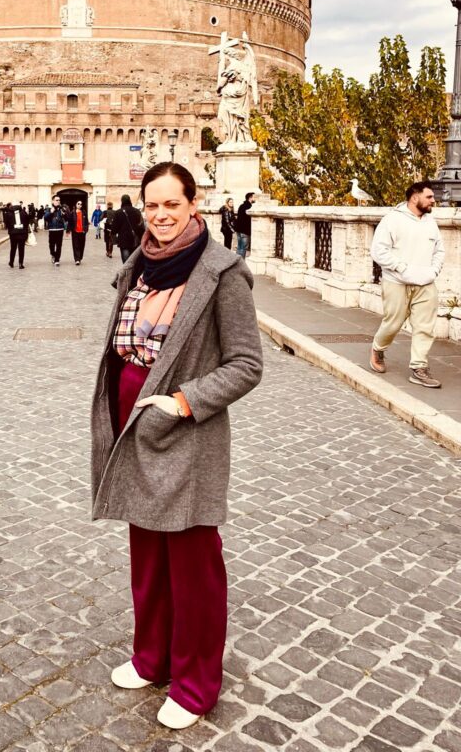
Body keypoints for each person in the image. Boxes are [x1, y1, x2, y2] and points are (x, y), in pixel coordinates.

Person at [91, 162, 263, 730]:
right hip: (131, 425)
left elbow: (246, 365)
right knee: (148, 556)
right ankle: (152, 658)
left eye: (172, 205)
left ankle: (194, 685)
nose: (161, 216)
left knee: (193, 564)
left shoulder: (222, 273)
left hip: (184, 429)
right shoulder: (138, 264)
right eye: (153, 205)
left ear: (195, 205)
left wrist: (183, 402)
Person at [370, 180, 445, 388]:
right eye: (429, 197)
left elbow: (439, 250)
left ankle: (419, 368)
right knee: (393, 323)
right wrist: (401, 268)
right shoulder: (392, 220)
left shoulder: (430, 221)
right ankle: (378, 348)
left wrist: (433, 271)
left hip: (426, 283)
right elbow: (378, 251)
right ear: (414, 197)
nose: (433, 201)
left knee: (425, 327)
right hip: (397, 282)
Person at [111, 194, 144, 263]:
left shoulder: (118, 212)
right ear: (130, 200)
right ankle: (135, 273)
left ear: (122, 201)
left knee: (126, 262)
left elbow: (114, 229)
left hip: (124, 240)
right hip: (136, 239)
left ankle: (127, 273)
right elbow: (141, 226)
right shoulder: (137, 211)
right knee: (135, 260)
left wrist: (115, 239)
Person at [3, 201, 30, 269]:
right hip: (22, 233)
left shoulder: (8, 214)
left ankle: (11, 262)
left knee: (13, 248)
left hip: (13, 233)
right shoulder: (24, 212)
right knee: (21, 249)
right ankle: (20, 263)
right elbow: (27, 222)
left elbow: (6, 224)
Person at [44, 195, 68, 266]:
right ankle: (53, 254)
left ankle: (57, 260)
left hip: (60, 229)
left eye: (59, 200)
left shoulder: (61, 209)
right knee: (51, 245)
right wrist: (51, 212)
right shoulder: (49, 209)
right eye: (56, 200)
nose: (58, 201)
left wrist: (64, 214)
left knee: (59, 245)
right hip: (52, 229)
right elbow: (45, 218)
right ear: (53, 201)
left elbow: (67, 218)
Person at [235, 192, 256, 258]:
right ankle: (241, 263)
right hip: (245, 231)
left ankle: (236, 262)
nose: (255, 199)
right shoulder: (249, 207)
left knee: (239, 247)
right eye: (254, 197)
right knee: (243, 248)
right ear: (250, 198)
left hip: (239, 230)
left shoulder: (241, 206)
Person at [69, 199, 90, 265]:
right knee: (76, 245)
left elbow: (86, 222)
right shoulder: (72, 212)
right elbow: (70, 222)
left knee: (82, 245)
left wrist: (86, 230)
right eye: (78, 204)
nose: (80, 205)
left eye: (81, 204)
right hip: (75, 231)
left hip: (82, 232)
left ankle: (80, 257)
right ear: (76, 205)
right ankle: (77, 259)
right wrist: (68, 230)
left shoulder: (84, 212)